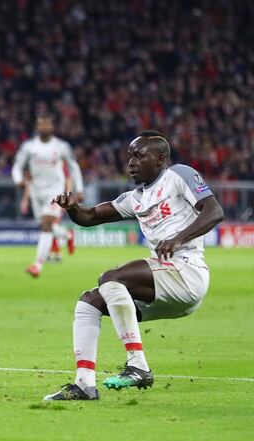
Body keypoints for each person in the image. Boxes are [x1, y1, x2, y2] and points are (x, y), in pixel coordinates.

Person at [44, 131, 224, 401]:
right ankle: (84, 385)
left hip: (187, 272)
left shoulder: (179, 175)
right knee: (89, 301)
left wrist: (177, 239)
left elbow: (214, 211)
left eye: (139, 156)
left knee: (111, 278)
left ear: (160, 158)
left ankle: (138, 365)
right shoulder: (135, 198)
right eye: (129, 157)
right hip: (162, 286)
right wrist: (72, 207)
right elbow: (90, 216)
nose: (131, 163)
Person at [12, 115, 83, 278]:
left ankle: (37, 265)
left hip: (55, 190)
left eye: (47, 124)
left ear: (52, 127)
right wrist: (18, 180)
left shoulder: (61, 146)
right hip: (36, 191)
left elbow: (73, 167)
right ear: (37, 127)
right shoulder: (29, 147)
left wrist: (78, 190)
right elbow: (17, 166)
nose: (44, 127)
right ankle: (67, 235)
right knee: (44, 224)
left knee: (46, 223)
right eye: (41, 124)